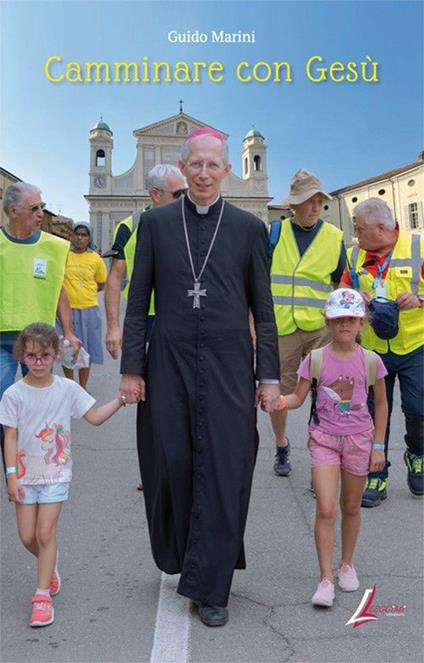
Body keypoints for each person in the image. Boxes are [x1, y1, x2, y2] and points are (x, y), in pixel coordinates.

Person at [119, 127, 281, 627]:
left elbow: (265, 309)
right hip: (168, 361)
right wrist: (131, 367)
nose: (205, 173)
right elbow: (137, 302)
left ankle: (213, 587)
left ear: (227, 169)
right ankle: (185, 559)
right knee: (173, 461)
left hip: (230, 362)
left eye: (214, 165)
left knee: (226, 466)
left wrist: (269, 376)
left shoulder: (250, 230)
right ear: (183, 167)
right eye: (197, 165)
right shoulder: (157, 224)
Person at [0, 322, 129, 627]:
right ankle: (50, 561)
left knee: (46, 534)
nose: (39, 362)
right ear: (22, 356)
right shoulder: (14, 394)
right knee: (27, 536)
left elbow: (94, 417)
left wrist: (121, 401)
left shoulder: (67, 389)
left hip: (55, 473)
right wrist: (11, 475)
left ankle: (42, 597)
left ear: (56, 355)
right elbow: (10, 437)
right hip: (24, 476)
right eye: (32, 356)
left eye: (45, 355)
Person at [279, 288, 388, 606]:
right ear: (328, 322)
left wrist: (378, 445)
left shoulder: (370, 361)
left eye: (351, 320)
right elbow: (298, 399)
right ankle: (325, 578)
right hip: (324, 440)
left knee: (351, 507)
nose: (344, 326)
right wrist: (277, 399)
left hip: (359, 440)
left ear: (361, 323)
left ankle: (347, 565)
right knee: (326, 508)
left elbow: (380, 404)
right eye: (338, 319)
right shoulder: (314, 360)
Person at [341, 198, 424, 506]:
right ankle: (377, 474)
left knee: (417, 410)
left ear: (380, 227)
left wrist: (419, 300)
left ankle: (417, 455)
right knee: (375, 414)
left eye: (360, 229)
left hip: (416, 346)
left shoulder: (418, 247)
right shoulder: (354, 255)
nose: (356, 236)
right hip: (374, 351)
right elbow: (340, 292)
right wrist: (352, 297)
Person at [269, 169, 346, 478]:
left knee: (327, 394)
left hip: (319, 329)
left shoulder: (334, 237)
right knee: (279, 395)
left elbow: (342, 285)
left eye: (318, 201)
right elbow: (256, 281)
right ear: (293, 205)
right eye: (308, 202)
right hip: (281, 327)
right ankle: (281, 445)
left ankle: (323, 451)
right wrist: (252, 322)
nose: (314, 208)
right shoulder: (273, 234)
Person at [0, 182, 80, 457]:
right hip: (2, 340)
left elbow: (59, 291)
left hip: (40, 341)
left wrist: (68, 332)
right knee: (3, 403)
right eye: (34, 208)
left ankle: (35, 459)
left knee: (39, 404)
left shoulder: (54, 247)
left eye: (42, 207)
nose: (40, 213)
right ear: (13, 211)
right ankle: (12, 464)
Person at [104, 164, 187, 360]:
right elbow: (115, 278)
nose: (183, 199)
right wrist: (113, 327)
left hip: (183, 315)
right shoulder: (129, 226)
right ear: (155, 194)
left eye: (185, 192)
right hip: (143, 318)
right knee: (140, 382)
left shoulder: (190, 223)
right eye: (177, 194)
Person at [60, 222, 107, 390]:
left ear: (89, 238)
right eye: (77, 234)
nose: (79, 238)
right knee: (67, 350)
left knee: (85, 351)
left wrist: (86, 291)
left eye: (84, 235)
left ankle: (82, 387)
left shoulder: (95, 258)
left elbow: (101, 283)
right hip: (66, 311)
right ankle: (70, 386)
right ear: (72, 236)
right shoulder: (64, 256)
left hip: (89, 310)